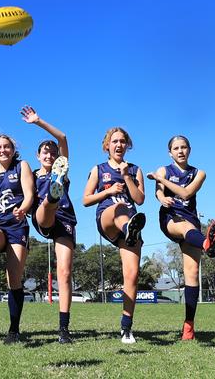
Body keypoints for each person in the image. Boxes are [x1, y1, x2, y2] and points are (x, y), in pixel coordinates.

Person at [146, 135, 215, 340]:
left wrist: (160, 179)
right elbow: (159, 194)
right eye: (176, 148)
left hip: (192, 223)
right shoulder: (164, 170)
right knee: (184, 227)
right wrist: (163, 198)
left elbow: (186, 193)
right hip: (171, 219)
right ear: (170, 152)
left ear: (189, 150)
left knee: (192, 273)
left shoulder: (199, 173)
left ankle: (188, 327)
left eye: (184, 147)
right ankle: (208, 244)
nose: (180, 151)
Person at [82, 127, 145, 344]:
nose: (119, 145)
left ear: (128, 145)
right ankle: (129, 228)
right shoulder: (99, 169)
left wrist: (127, 176)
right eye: (114, 141)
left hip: (130, 222)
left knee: (132, 275)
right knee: (119, 209)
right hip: (108, 217)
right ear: (107, 145)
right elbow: (86, 199)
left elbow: (139, 199)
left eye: (122, 141)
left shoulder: (135, 169)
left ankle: (126, 328)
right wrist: (109, 191)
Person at [20, 106, 76, 344]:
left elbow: (62, 137)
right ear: (38, 156)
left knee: (64, 273)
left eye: (53, 152)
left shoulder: (62, 166)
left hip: (65, 221)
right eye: (45, 152)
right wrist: (21, 208)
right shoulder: (31, 173)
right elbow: (24, 195)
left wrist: (39, 121)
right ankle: (52, 196)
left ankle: (63, 329)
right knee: (46, 206)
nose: (50, 154)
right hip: (42, 218)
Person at [0, 134, 35, 344]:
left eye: (7, 147)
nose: (3, 150)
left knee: (14, 280)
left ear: (13, 148)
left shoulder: (22, 166)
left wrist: (23, 208)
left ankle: (13, 330)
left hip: (17, 226)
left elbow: (29, 194)